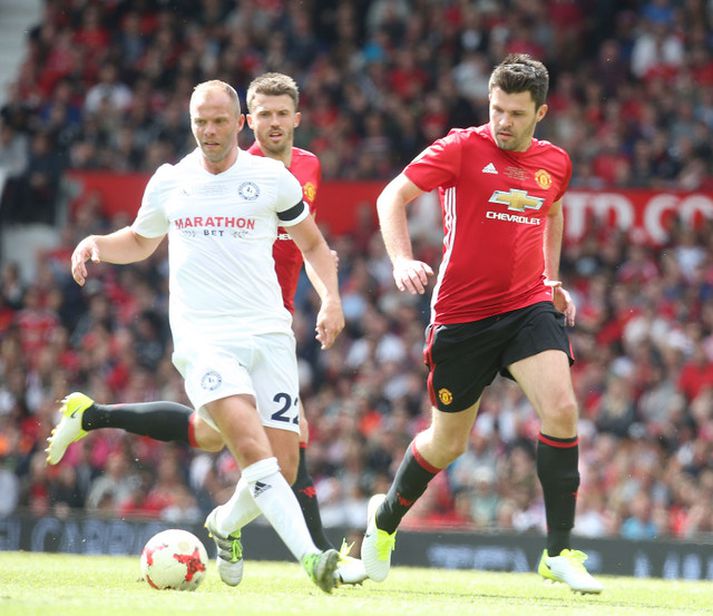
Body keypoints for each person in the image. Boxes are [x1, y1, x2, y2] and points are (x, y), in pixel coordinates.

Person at [47, 72, 366, 585]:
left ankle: (222, 522)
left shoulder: (273, 179)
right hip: (205, 341)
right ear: (190, 122)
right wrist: (96, 243)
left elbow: (312, 244)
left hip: (269, 334)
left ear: (239, 124)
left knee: (283, 462)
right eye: (201, 122)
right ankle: (313, 558)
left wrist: (331, 299)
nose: (210, 131)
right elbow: (140, 239)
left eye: (220, 121)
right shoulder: (170, 179)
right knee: (249, 447)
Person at [360, 54, 603, 594]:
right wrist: (401, 260)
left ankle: (558, 552)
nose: (503, 122)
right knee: (448, 444)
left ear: (540, 112)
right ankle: (383, 525)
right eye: (496, 109)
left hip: (527, 308)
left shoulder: (555, 162)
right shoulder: (461, 148)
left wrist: (552, 277)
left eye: (516, 113)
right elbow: (390, 196)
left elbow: (553, 210)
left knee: (562, 410)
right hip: (462, 317)